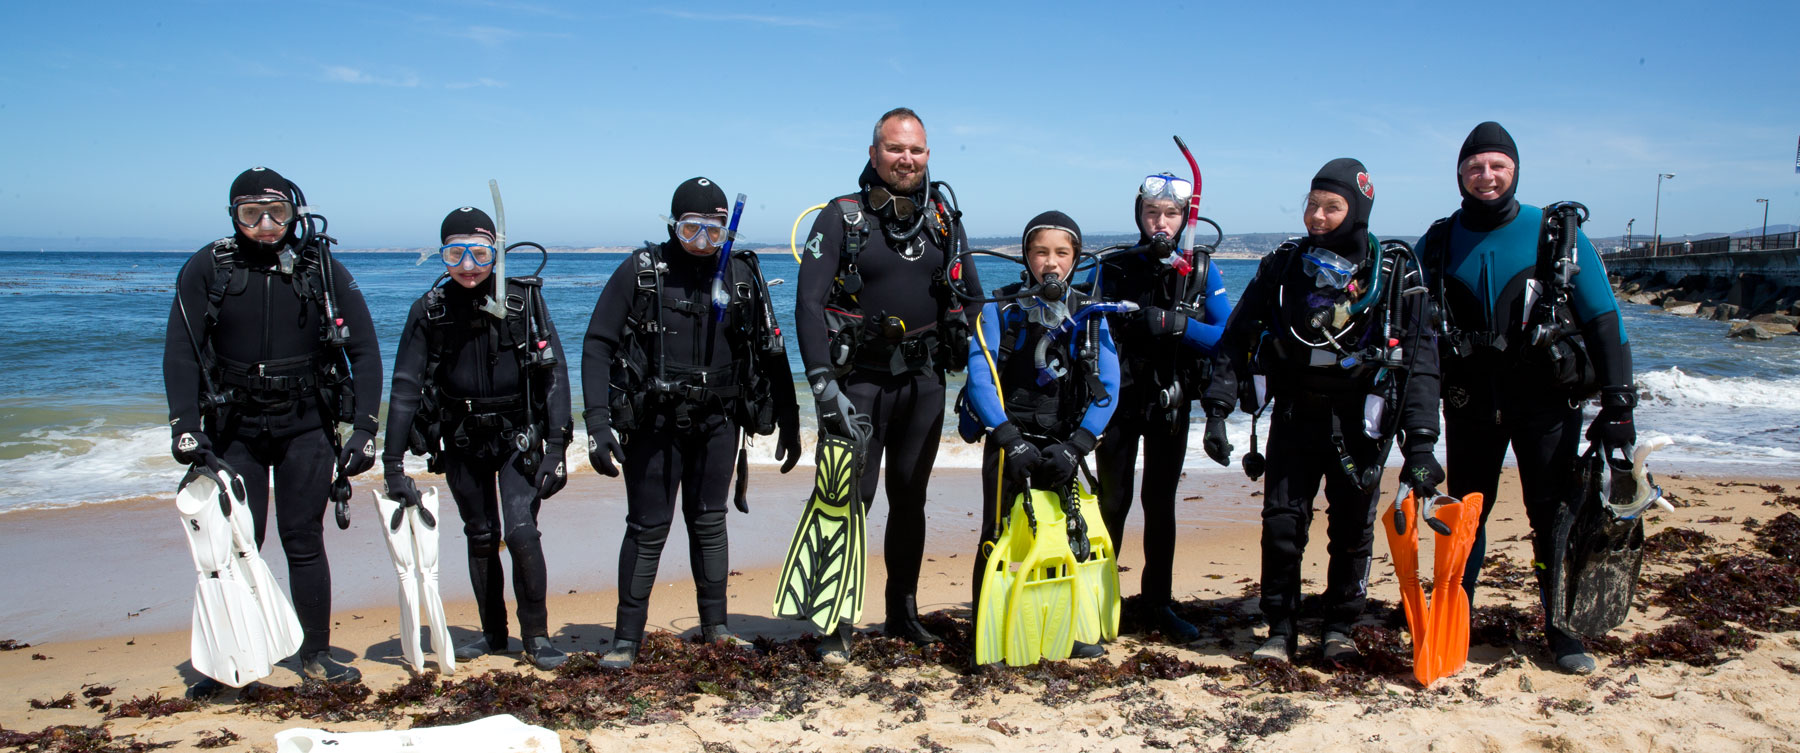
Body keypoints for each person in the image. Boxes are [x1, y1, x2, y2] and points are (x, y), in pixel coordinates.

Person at [1417, 122, 1635, 674]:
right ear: (1460, 173)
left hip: (1546, 401)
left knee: (1551, 511)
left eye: (1498, 166)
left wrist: (1619, 405)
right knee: (1467, 512)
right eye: (1475, 166)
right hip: (1470, 400)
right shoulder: (1439, 241)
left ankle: (1561, 628)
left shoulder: (1553, 233)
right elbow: (1409, 327)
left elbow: (1605, 321)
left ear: (1514, 170)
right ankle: (1454, 618)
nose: (1485, 176)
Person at [1208, 158, 1442, 663]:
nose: (1317, 216)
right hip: (1295, 415)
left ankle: (1339, 626)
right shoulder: (1284, 267)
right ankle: (1281, 626)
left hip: (1361, 421)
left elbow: (1421, 361)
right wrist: (1218, 407)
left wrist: (1421, 442)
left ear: (1358, 208)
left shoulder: (1396, 272)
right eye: (1312, 205)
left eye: (1332, 207)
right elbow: (1237, 337)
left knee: (1352, 530)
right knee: (1283, 524)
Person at [163, 167, 383, 696]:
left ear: (295, 212)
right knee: (237, 543)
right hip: (232, 427)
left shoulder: (321, 267)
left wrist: (365, 428)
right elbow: (180, 352)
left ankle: (315, 656)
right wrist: (184, 427)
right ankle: (229, 662)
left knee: (303, 539)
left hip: (305, 423)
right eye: (251, 214)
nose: (265, 225)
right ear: (233, 215)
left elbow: (365, 351)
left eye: (277, 213)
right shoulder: (207, 268)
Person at [582, 177, 800, 669]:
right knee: (647, 526)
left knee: (709, 522)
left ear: (727, 230)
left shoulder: (743, 274)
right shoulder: (643, 272)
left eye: (714, 230)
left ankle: (717, 628)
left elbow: (771, 348)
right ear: (672, 225)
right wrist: (597, 423)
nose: (703, 241)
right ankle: (626, 640)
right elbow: (597, 343)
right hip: (655, 421)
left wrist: (790, 417)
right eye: (691, 229)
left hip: (719, 420)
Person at [794, 108, 981, 653]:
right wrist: (822, 383)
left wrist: (978, 363)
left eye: (917, 150)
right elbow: (807, 305)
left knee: (910, 498)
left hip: (923, 383)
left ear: (928, 156)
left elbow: (971, 298)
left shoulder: (945, 218)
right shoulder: (841, 217)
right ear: (874, 153)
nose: (907, 159)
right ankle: (835, 623)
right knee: (849, 498)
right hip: (860, 384)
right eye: (896, 149)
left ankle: (903, 613)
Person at [381, 206, 573, 671]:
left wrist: (556, 446)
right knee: (481, 535)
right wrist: (391, 463)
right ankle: (492, 635)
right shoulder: (430, 310)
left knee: (522, 531)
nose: (468, 265)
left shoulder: (523, 303)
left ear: (497, 252)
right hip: (462, 438)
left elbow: (556, 375)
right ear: (442, 256)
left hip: (517, 437)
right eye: (454, 253)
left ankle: (537, 636)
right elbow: (405, 386)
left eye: (481, 253)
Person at [965, 211, 1121, 660]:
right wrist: (1008, 436)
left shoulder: (1090, 313)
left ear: (1075, 259)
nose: (1050, 263)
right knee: (998, 535)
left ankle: (1066, 630)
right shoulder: (1001, 307)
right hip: (1009, 439)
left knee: (1068, 530)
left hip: (1064, 440)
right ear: (1026, 256)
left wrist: (1080, 444)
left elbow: (1108, 382)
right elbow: (979, 375)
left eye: (1061, 253)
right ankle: (989, 636)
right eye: (1040, 252)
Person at [1091, 171, 1232, 641]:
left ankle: (1158, 603)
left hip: (1170, 401)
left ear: (1184, 218)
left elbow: (1225, 338)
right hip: (1117, 401)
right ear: (1139, 214)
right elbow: (1080, 324)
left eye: (1171, 214)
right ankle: (1099, 600)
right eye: (1152, 212)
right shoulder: (1114, 266)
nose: (1160, 223)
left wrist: (1175, 325)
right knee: (1112, 501)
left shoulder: (1202, 271)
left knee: (1159, 503)